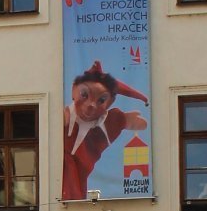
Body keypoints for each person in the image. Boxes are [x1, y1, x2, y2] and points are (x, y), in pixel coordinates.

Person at [61, 61, 149, 201]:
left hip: (76, 189)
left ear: (110, 102)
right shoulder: (64, 116)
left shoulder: (105, 125)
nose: (91, 105)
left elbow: (133, 123)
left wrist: (125, 120)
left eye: (101, 100)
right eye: (84, 94)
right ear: (74, 90)